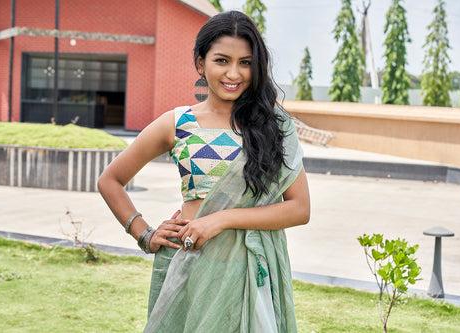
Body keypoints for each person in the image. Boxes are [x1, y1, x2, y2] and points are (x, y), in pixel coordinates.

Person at [97, 10, 310, 333]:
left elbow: (299, 208)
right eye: (222, 60)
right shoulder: (179, 123)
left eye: (246, 62)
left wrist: (221, 219)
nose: (234, 73)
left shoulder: (273, 127)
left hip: (250, 271)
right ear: (201, 63)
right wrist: (144, 234)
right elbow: (110, 180)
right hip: (191, 267)